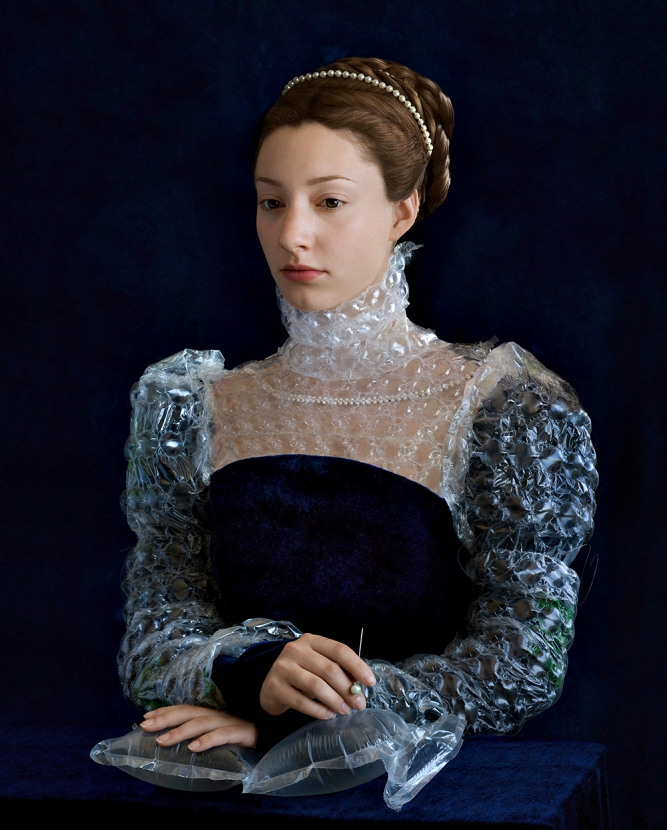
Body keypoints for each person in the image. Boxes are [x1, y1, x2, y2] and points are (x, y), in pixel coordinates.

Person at [105, 58, 598, 808]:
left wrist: (303, 720)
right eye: (271, 202)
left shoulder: (503, 404)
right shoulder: (192, 404)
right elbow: (155, 632)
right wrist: (248, 672)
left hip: (433, 796)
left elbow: (522, 656)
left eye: (330, 201)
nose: (292, 234)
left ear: (402, 211)